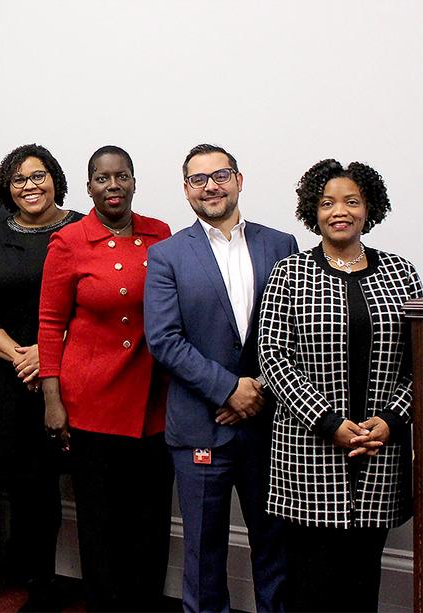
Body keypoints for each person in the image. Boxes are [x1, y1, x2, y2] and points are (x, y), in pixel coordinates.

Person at [258, 159, 421, 613]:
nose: (340, 211)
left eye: (352, 200)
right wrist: (329, 422)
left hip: (379, 453)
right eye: (327, 203)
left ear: (370, 207)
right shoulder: (289, 274)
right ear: (314, 211)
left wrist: (389, 421)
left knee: (361, 580)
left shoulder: (401, 274)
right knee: (310, 583)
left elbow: (418, 363)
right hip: (308, 453)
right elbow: (273, 358)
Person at [144, 143, 295, 613]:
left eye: (220, 175)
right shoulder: (167, 254)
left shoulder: (281, 245)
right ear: (186, 190)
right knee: (203, 557)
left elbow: (295, 333)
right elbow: (164, 339)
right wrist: (229, 388)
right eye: (198, 179)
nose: (211, 185)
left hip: (270, 429)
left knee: (276, 551)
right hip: (199, 427)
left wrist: (259, 390)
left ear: (239, 179)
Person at [40, 146, 172, 611]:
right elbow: (50, 325)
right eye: (102, 178)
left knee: (150, 520)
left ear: (134, 181)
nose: (112, 186)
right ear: (88, 184)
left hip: (152, 401)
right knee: (100, 522)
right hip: (90, 402)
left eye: (121, 176)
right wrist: (52, 400)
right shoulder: (69, 241)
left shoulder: (161, 235)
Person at [0, 143, 83, 611]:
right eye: (19, 180)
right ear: (6, 188)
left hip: (71, 379)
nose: (30, 186)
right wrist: (21, 356)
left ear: (55, 178)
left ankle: (62, 583)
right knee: (25, 486)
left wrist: (47, 353)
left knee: (63, 484)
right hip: (10, 383)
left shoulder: (80, 229)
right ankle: (35, 578)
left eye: (39, 176)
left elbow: (90, 306)